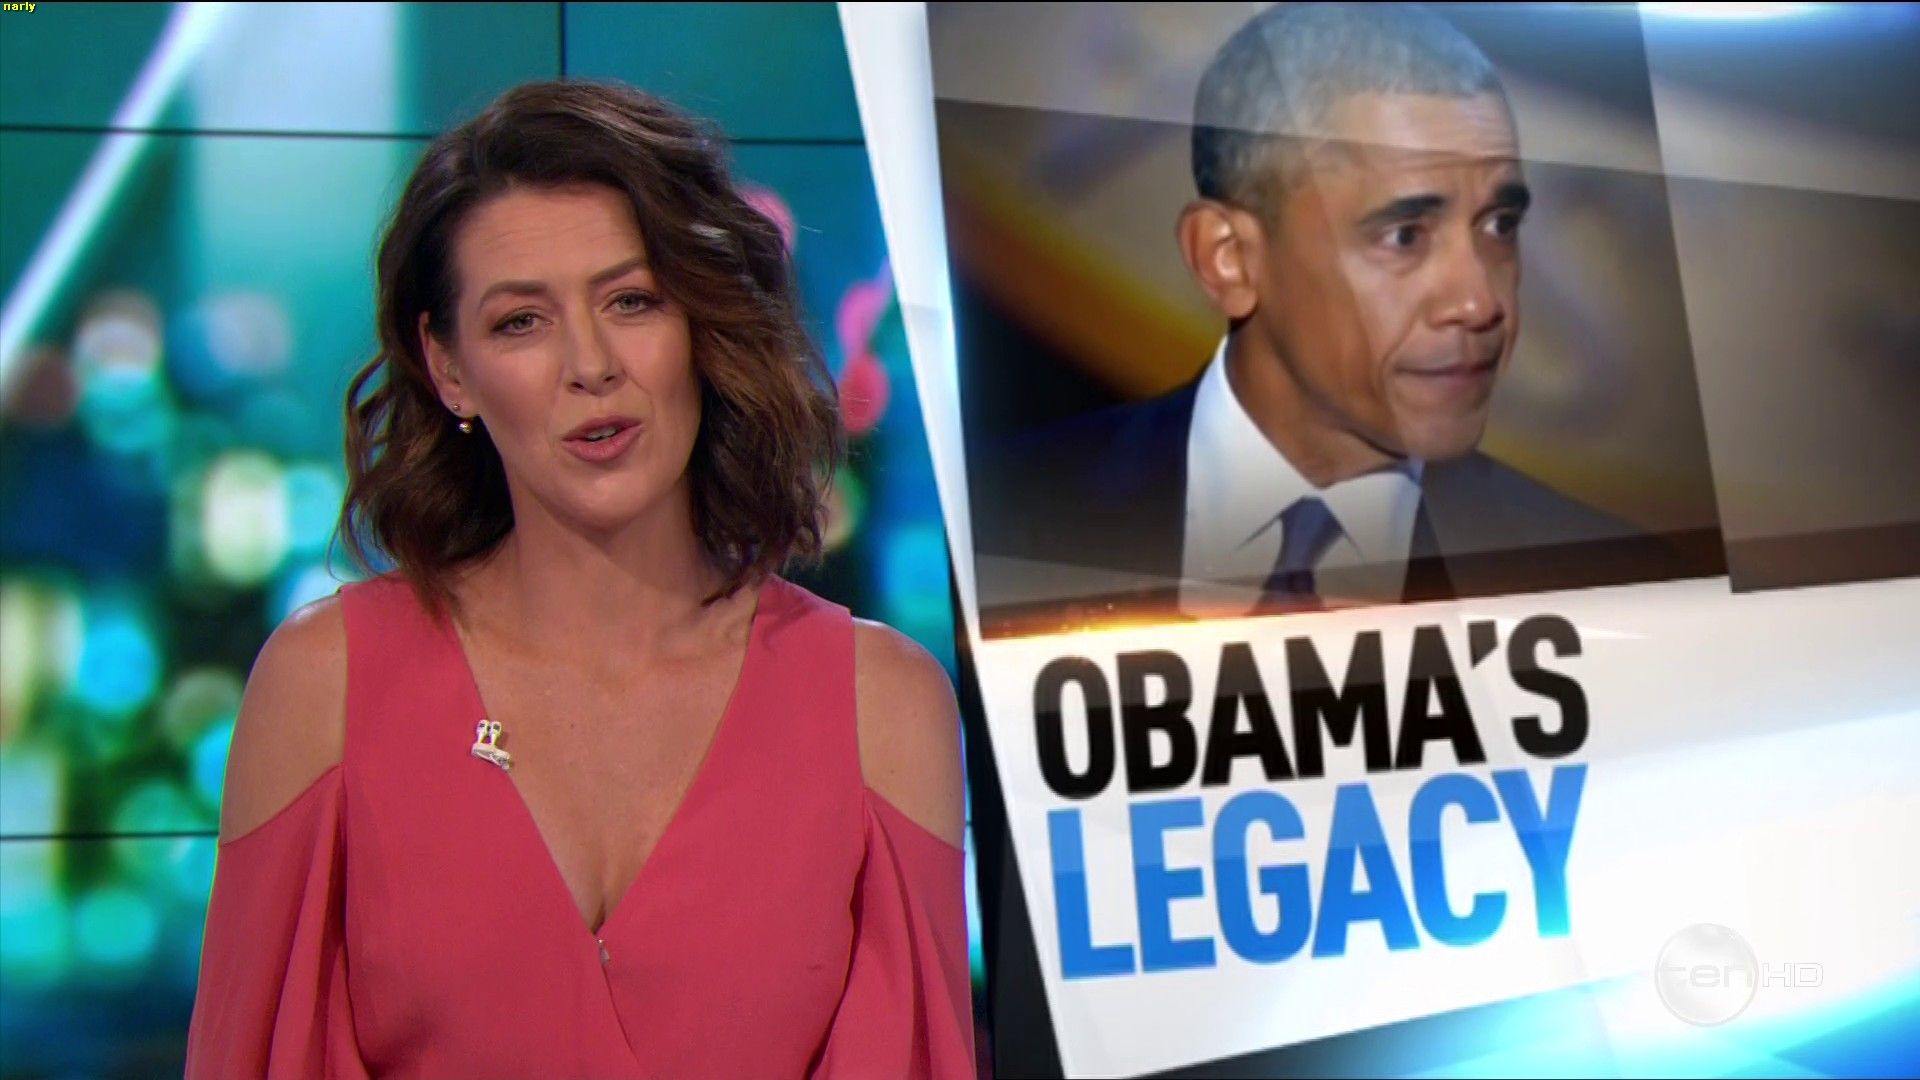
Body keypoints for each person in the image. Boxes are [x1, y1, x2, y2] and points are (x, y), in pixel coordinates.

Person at [186, 81, 974, 1078]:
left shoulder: (880, 708)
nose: (590, 365)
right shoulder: (324, 688)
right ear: (449, 368)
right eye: (522, 322)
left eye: (631, 301)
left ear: (701, 326)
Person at [971, 2, 1708, 635]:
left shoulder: (1626, 591)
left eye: (1499, 227)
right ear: (1229, 259)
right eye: (1405, 236)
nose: (1481, 302)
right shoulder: (994, 528)